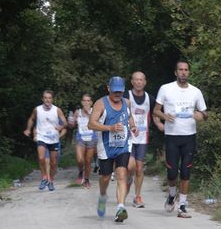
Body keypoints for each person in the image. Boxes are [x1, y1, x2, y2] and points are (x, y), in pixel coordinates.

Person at [153, 59, 208, 218]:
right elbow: (156, 110)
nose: (183, 72)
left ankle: (183, 205)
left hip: (189, 137)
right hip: (172, 136)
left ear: (188, 73)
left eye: (186, 70)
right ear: (175, 72)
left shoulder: (195, 91)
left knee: (185, 171)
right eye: (180, 70)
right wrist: (165, 116)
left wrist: (201, 116)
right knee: (171, 173)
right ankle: (171, 194)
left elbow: (205, 113)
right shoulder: (166, 89)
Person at [88, 76, 138, 223]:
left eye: (120, 92)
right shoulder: (100, 104)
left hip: (123, 144)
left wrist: (133, 127)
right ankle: (103, 196)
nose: (117, 95)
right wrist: (110, 128)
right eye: (115, 91)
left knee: (122, 174)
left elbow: (129, 117)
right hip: (106, 146)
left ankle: (120, 208)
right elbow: (91, 124)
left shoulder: (127, 102)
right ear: (108, 88)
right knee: (105, 177)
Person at [124, 71, 164, 208]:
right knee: (130, 167)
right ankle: (129, 179)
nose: (139, 82)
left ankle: (137, 196)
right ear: (132, 82)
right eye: (136, 79)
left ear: (145, 82)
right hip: (127, 138)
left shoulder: (150, 99)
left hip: (142, 138)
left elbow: (154, 114)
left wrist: (158, 123)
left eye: (141, 79)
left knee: (140, 168)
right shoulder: (126, 96)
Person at [24, 90, 67, 191]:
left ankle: (50, 180)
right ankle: (44, 177)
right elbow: (31, 119)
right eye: (45, 98)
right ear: (42, 99)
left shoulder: (57, 110)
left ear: (52, 99)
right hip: (41, 137)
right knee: (41, 158)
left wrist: (61, 127)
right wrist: (28, 129)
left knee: (53, 163)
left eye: (49, 98)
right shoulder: (37, 109)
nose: (47, 100)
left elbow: (65, 122)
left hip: (54, 139)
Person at [68, 94, 98, 188]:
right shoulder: (78, 112)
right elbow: (72, 126)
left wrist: (88, 114)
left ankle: (86, 180)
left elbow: (97, 123)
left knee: (88, 161)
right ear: (81, 102)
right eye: (84, 101)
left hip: (92, 138)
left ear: (91, 102)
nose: (86, 103)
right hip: (80, 138)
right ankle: (81, 172)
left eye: (88, 101)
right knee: (80, 159)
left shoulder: (94, 111)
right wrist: (71, 122)